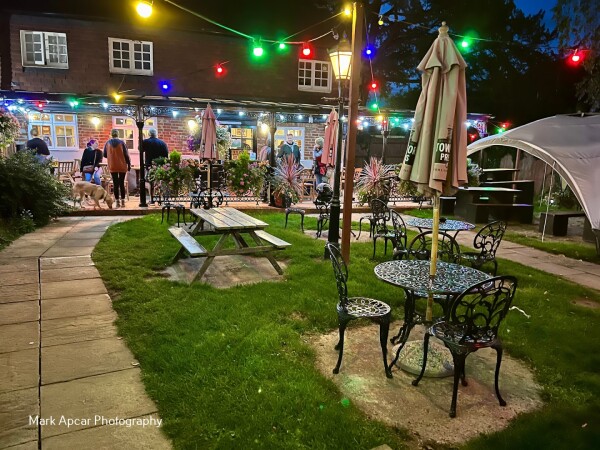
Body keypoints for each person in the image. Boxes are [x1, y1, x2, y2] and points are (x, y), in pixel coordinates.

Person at [103, 129, 131, 208]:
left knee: (115, 184)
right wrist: (129, 164)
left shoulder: (107, 143)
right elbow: (126, 155)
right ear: (118, 134)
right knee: (121, 183)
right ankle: (123, 202)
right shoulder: (122, 142)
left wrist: (111, 155)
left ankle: (117, 202)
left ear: (111, 134)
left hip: (112, 165)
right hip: (122, 165)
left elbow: (104, 154)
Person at [142, 128, 169, 203]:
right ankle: (160, 198)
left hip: (149, 164)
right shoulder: (162, 143)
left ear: (149, 134)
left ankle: (152, 199)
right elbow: (166, 156)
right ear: (156, 134)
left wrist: (141, 140)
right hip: (160, 165)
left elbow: (140, 149)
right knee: (160, 181)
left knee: (151, 182)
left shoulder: (146, 142)